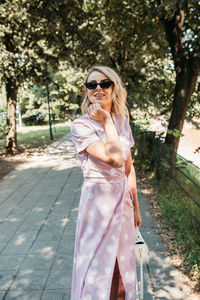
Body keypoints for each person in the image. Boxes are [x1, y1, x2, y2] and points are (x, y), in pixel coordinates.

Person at [70, 66, 142, 300]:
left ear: (114, 88)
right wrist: (107, 121)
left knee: (122, 271)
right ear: (87, 92)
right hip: (96, 206)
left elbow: (128, 169)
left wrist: (136, 207)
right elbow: (113, 158)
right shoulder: (80, 126)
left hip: (123, 206)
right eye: (92, 85)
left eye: (104, 83)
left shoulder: (123, 122)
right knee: (98, 271)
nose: (98, 88)